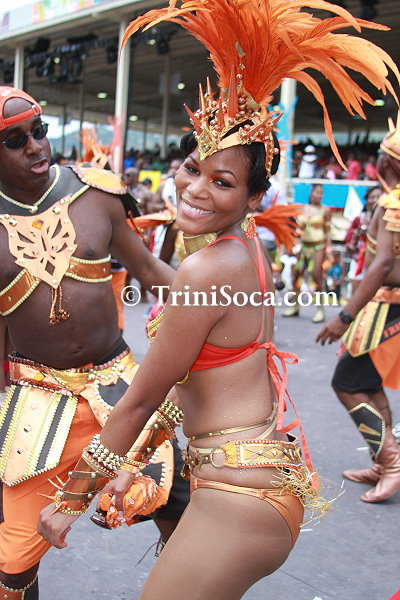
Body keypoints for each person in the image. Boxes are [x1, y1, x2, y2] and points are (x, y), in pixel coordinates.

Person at [37, 0, 399, 597]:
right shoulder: (245, 252)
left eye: (223, 181)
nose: (196, 188)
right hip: (249, 483)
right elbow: (185, 390)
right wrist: (133, 462)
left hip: (240, 499)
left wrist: (69, 501)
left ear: (255, 198)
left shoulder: (208, 268)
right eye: (192, 167)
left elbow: (141, 398)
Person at [0, 86, 190, 599]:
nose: (35, 146)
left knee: (181, 512)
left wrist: (222, 304)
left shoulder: (96, 194)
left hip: (122, 392)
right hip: (36, 404)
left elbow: (149, 269)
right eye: (14, 140)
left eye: (39, 131)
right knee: (10, 565)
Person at [316, 115, 400, 503]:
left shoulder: (393, 202)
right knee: (367, 384)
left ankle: (391, 461)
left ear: (387, 162)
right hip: (386, 305)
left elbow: (381, 266)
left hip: (387, 307)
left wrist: (344, 316)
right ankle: (382, 462)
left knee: (347, 383)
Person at [284, 184, 330, 322]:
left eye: (321, 193)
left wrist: (328, 250)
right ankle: (294, 306)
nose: (319, 195)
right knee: (296, 274)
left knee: (316, 275)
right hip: (304, 245)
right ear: (311, 194)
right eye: (317, 192)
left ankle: (320, 309)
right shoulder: (303, 209)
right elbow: (298, 228)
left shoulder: (325, 210)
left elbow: (328, 232)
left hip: (319, 246)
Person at [344, 185, 382, 295]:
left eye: (379, 197)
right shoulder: (358, 219)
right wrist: (355, 238)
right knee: (357, 294)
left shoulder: (388, 219)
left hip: (379, 262)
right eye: (372, 197)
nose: (375, 200)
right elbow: (348, 241)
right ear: (366, 200)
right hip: (359, 261)